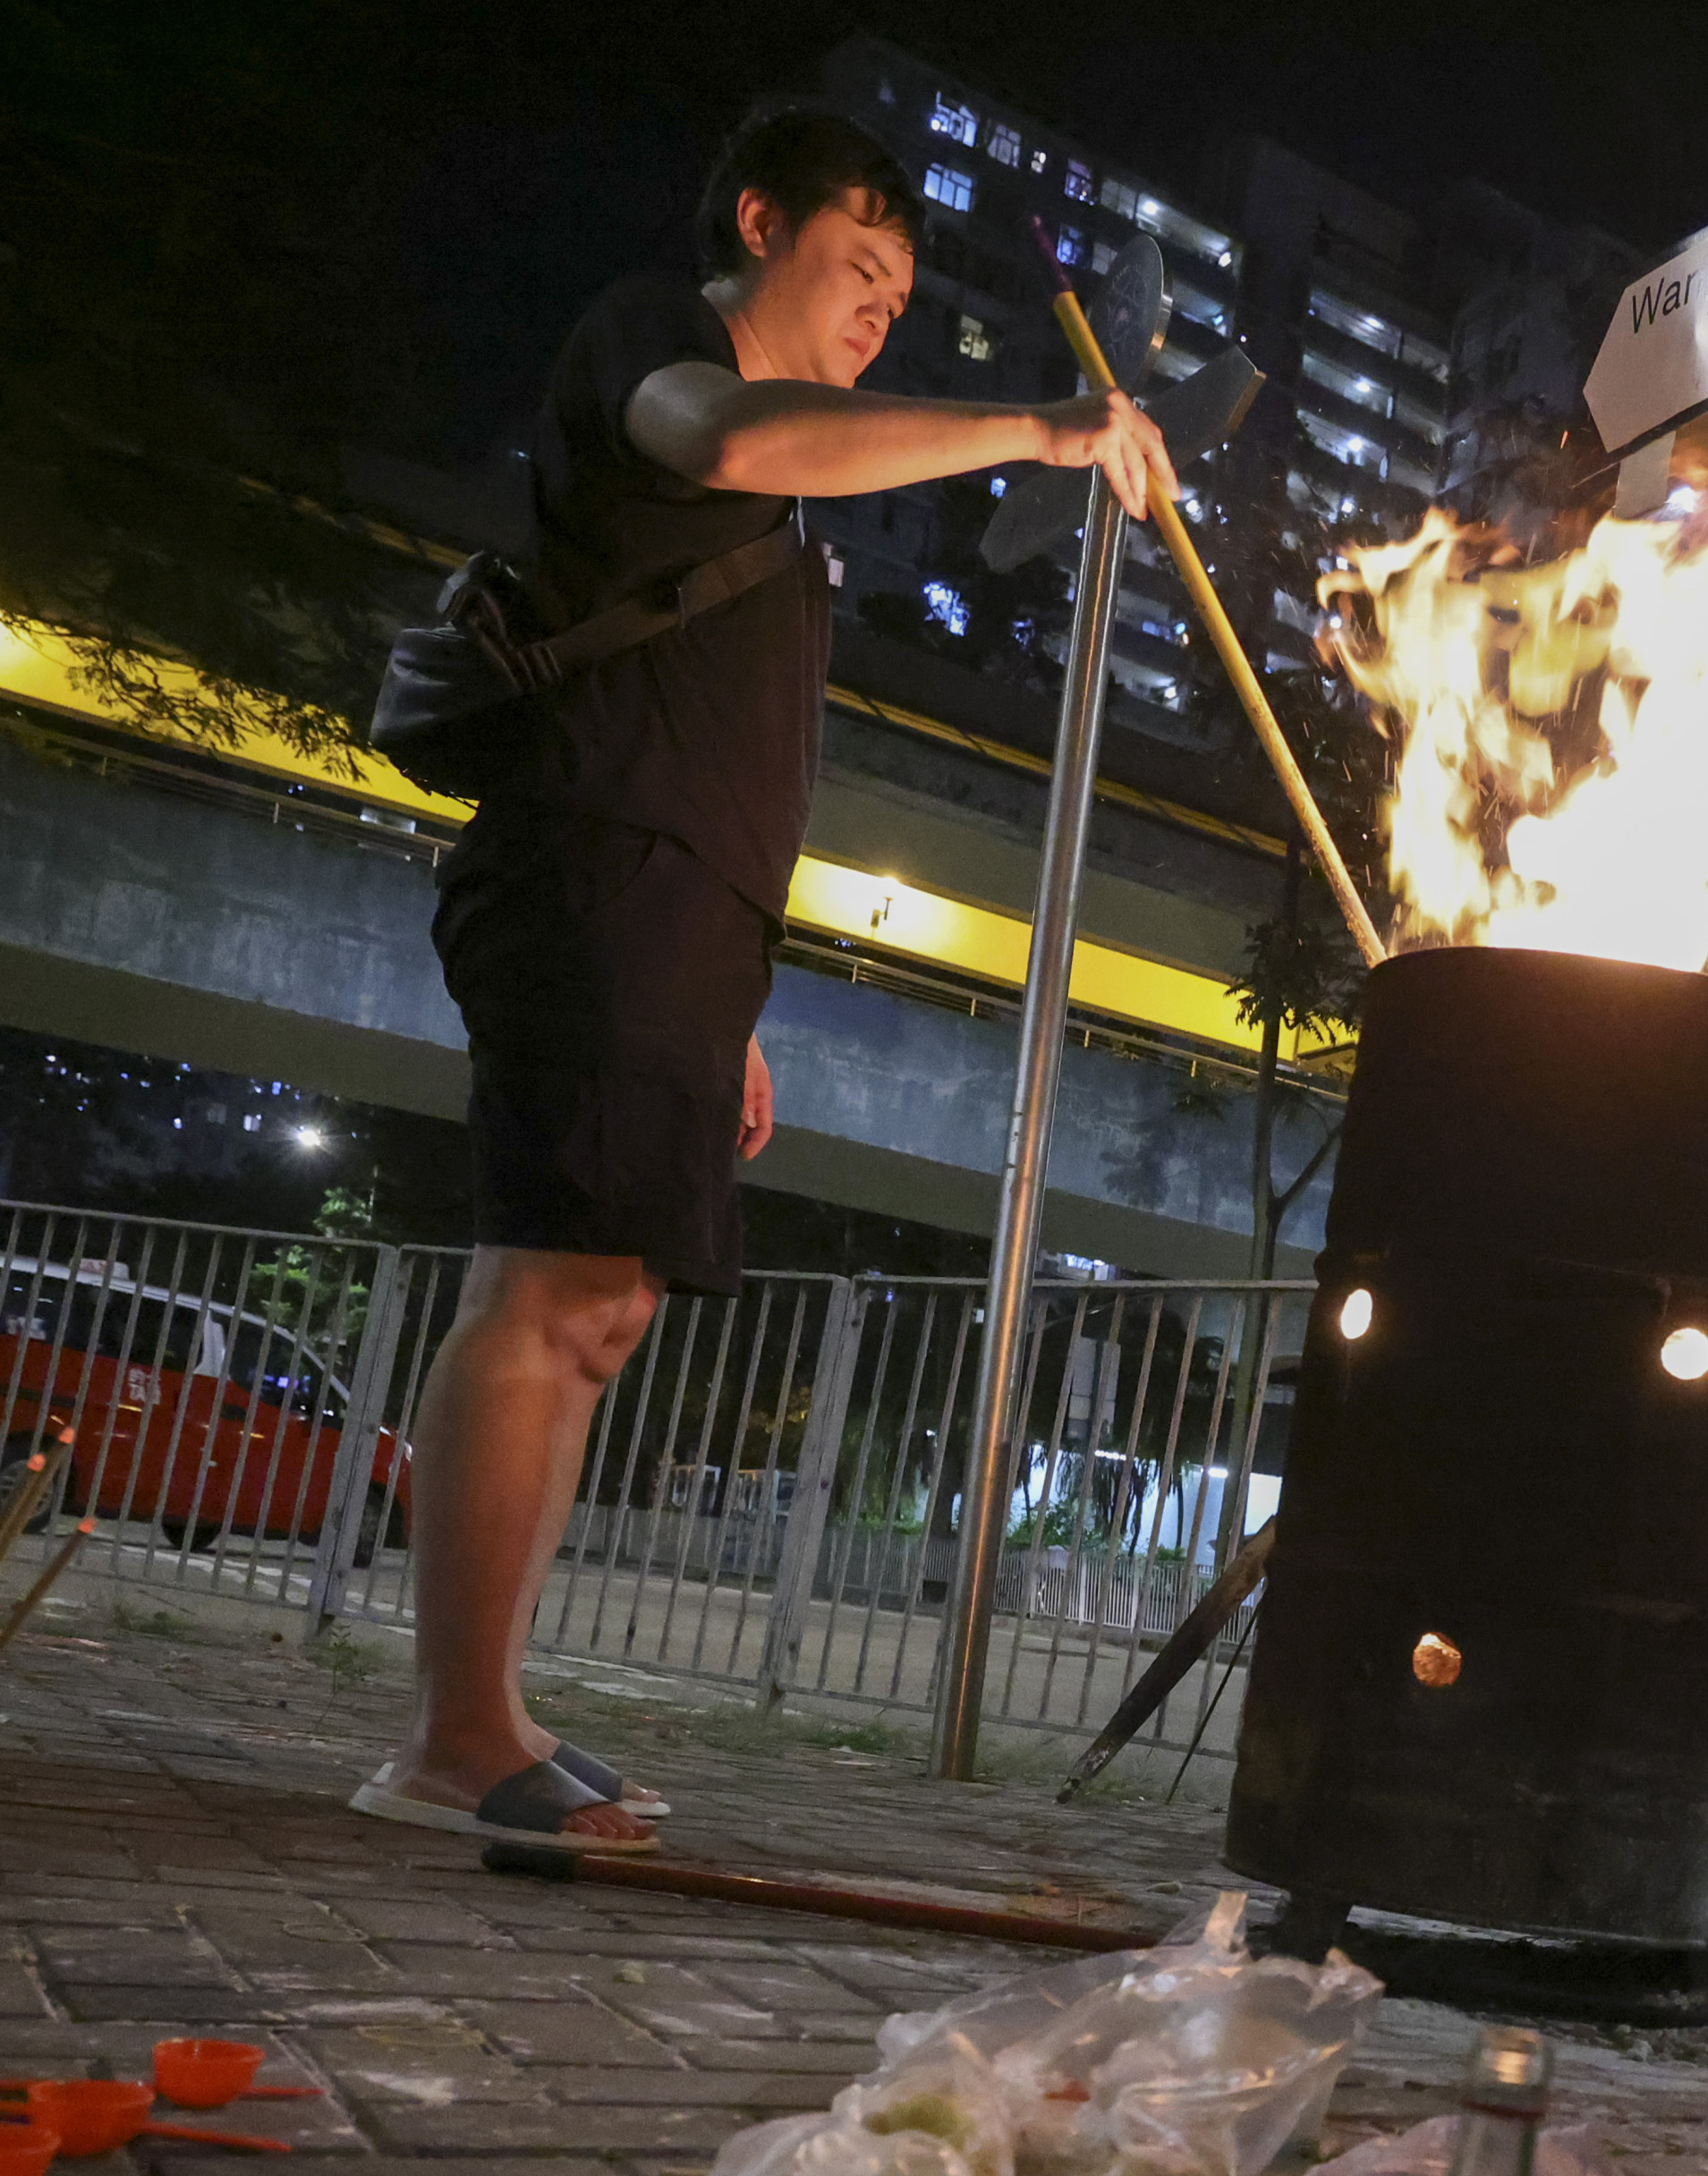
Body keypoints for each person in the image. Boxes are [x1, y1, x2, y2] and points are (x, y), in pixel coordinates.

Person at [353, 106, 1177, 1850]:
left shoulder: (806, 515)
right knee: (550, 1290)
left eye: (902, 287)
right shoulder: (656, 342)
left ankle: (485, 1708)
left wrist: (728, 1010)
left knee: (600, 1306)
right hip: (586, 869)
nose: (882, 306)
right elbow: (719, 440)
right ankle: (452, 1736)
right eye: (858, 264)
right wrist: (1038, 424)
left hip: (669, 915)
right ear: (756, 223)